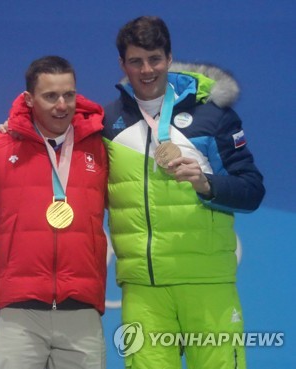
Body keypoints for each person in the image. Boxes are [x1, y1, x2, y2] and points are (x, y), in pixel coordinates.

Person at [103, 16, 265, 369]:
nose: (147, 70)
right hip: (144, 289)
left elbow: (252, 190)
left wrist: (208, 185)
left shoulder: (211, 116)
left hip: (206, 282)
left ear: (169, 57)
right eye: (136, 61)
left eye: (155, 59)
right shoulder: (107, 122)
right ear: (122, 64)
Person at [0, 55, 108, 369]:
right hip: (17, 311)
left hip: (82, 309)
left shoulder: (100, 147)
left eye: (69, 95)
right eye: (50, 96)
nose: (62, 105)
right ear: (29, 99)